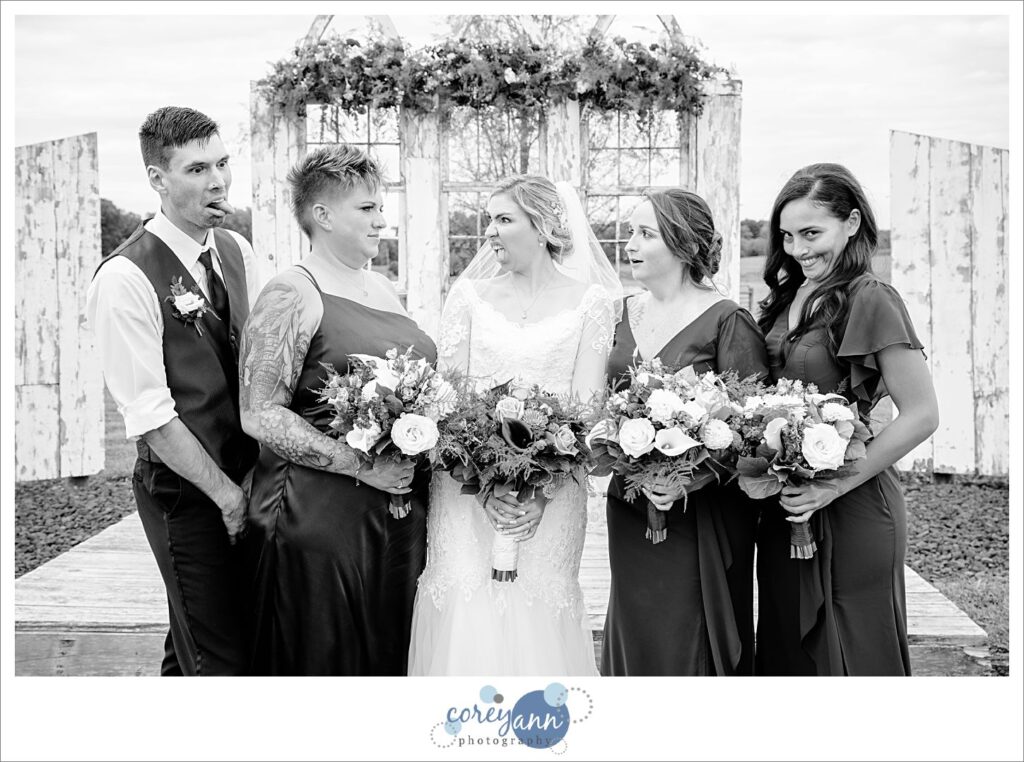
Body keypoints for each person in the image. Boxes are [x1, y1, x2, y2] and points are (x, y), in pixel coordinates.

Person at [407, 175, 622, 675]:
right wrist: (481, 487)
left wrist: (540, 491)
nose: (490, 233)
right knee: (466, 606)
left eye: (504, 220)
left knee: (538, 608)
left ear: (544, 227)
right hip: (464, 492)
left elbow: (587, 410)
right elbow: (449, 398)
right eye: (489, 220)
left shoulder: (591, 303)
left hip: (553, 493)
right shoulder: (468, 297)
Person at [239, 144, 434, 675]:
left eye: (380, 206)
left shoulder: (383, 289)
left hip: (395, 517)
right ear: (322, 215)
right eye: (366, 208)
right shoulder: (290, 293)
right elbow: (259, 414)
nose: (381, 219)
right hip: (318, 518)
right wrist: (363, 467)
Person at [86, 106, 263, 675]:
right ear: (157, 179)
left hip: (247, 482)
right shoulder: (125, 278)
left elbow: (260, 365)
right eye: (196, 169)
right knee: (219, 661)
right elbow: (152, 417)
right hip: (185, 497)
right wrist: (227, 498)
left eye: (223, 163)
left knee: (194, 644)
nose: (218, 181)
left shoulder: (237, 251)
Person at [754, 162, 939, 676]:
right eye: (787, 236)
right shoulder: (785, 299)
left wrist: (832, 488)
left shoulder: (871, 298)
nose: (798, 249)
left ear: (853, 223)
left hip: (854, 504)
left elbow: (923, 414)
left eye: (812, 233)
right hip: (785, 505)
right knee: (788, 647)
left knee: (852, 650)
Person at [600, 189, 769, 676]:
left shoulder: (728, 320)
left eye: (645, 233)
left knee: (687, 633)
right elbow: (600, 406)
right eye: (630, 231)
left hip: (702, 515)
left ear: (682, 245)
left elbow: (752, 430)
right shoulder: (620, 314)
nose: (629, 243)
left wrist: (686, 480)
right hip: (630, 503)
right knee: (636, 625)